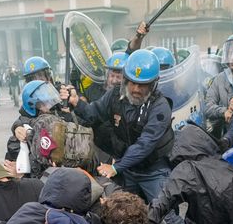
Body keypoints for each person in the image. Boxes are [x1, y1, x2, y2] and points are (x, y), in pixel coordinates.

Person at [66, 49, 174, 203]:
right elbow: (93, 113)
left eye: (142, 85)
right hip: (127, 169)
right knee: (122, 212)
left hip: (152, 170)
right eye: (132, 83)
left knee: (167, 215)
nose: (136, 89)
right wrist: (76, 103)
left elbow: (145, 144)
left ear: (153, 84)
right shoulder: (115, 95)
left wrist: (116, 168)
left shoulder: (160, 106)